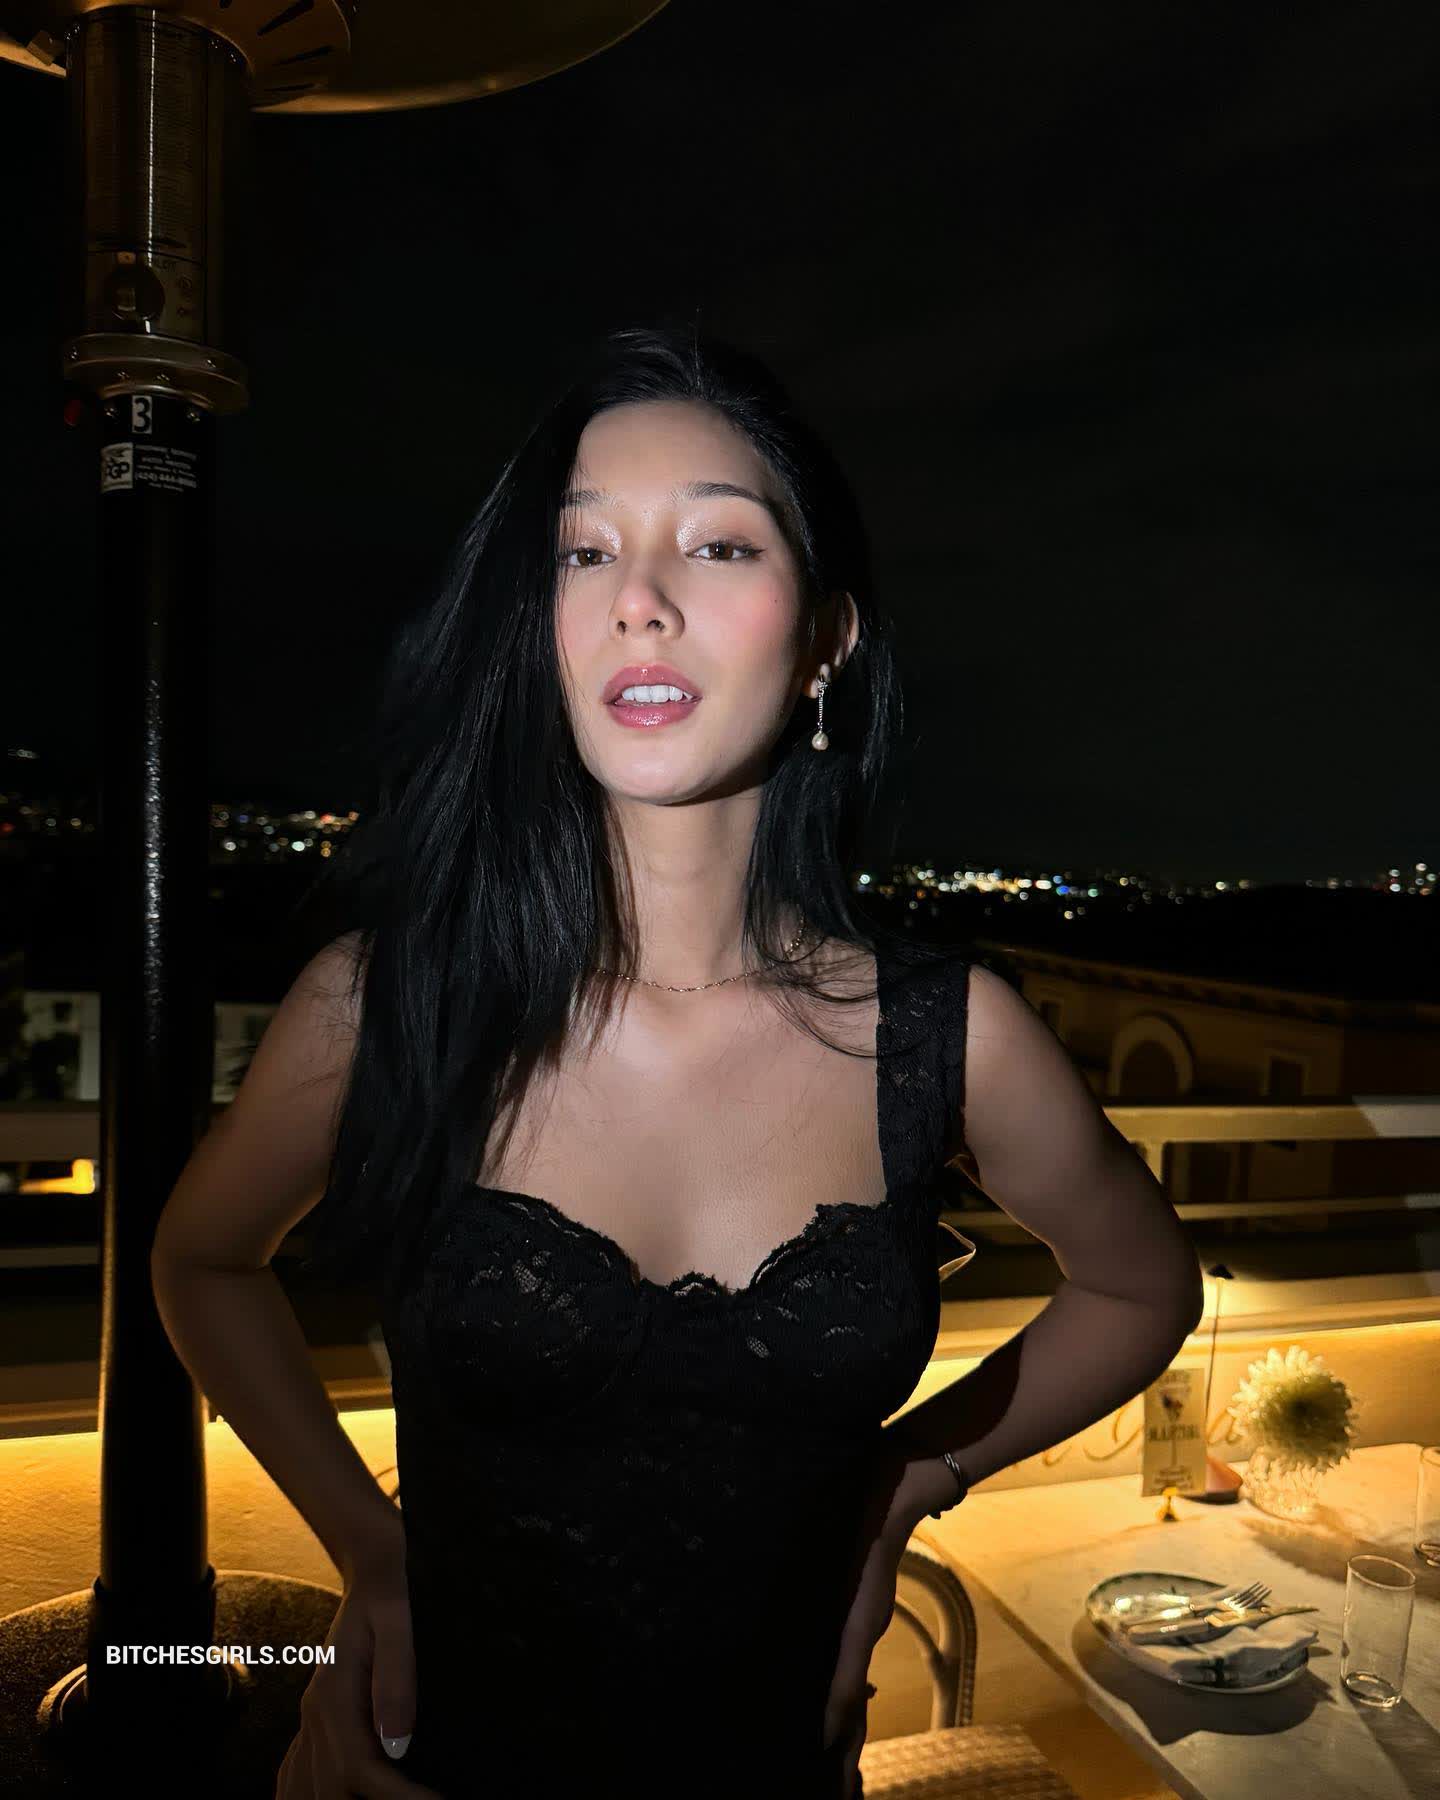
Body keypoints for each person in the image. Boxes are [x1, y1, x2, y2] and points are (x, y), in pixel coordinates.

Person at [150, 323, 1205, 1800]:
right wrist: (367, 1543)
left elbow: (1144, 1288)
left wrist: (908, 1479)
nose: (639, 599)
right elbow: (202, 1261)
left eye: (716, 546)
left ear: (826, 636)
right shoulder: (388, 1004)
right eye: (583, 554)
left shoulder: (946, 1033)